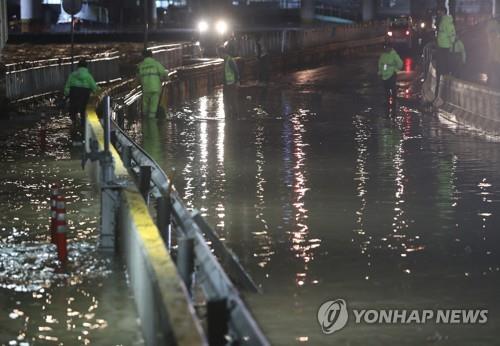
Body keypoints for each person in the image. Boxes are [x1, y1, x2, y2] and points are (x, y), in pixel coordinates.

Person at [64, 59, 99, 139]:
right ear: (86, 67)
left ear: (78, 66)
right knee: (83, 111)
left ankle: (74, 123)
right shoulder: (88, 76)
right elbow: (94, 88)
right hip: (84, 96)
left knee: (73, 109)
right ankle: (83, 128)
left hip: (74, 95)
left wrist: (67, 94)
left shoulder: (72, 75)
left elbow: (67, 87)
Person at [137, 49, 168, 118]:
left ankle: (145, 120)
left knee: (145, 106)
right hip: (155, 89)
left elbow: (138, 77)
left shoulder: (140, 66)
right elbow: (164, 73)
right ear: (152, 56)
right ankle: (151, 121)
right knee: (153, 107)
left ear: (143, 56)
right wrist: (166, 78)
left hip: (145, 89)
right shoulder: (156, 64)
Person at [435, 7, 456, 97]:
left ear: (443, 11)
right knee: (443, 62)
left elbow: (451, 32)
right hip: (442, 45)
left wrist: (452, 43)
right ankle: (444, 75)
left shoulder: (446, 20)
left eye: (439, 11)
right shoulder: (443, 20)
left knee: (446, 62)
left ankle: (446, 75)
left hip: (446, 46)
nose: (438, 12)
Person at [378, 40, 403, 114]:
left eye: (387, 47)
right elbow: (380, 64)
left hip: (391, 74)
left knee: (392, 88)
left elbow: (400, 63)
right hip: (384, 75)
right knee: (386, 89)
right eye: (385, 47)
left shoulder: (394, 55)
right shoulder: (383, 55)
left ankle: (394, 102)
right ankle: (388, 102)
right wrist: (380, 72)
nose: (385, 48)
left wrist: (396, 69)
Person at [220, 46, 240, 118]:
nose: (218, 55)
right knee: (226, 102)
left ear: (222, 53)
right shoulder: (225, 60)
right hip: (226, 85)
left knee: (232, 101)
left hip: (231, 84)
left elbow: (236, 71)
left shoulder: (230, 60)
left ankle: (235, 117)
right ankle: (228, 117)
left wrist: (237, 81)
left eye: (219, 53)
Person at [486, 16, 500, 87]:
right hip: (496, 59)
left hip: (494, 59)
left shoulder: (491, 35)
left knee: (493, 67)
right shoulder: (496, 31)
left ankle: (490, 79)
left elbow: (491, 49)